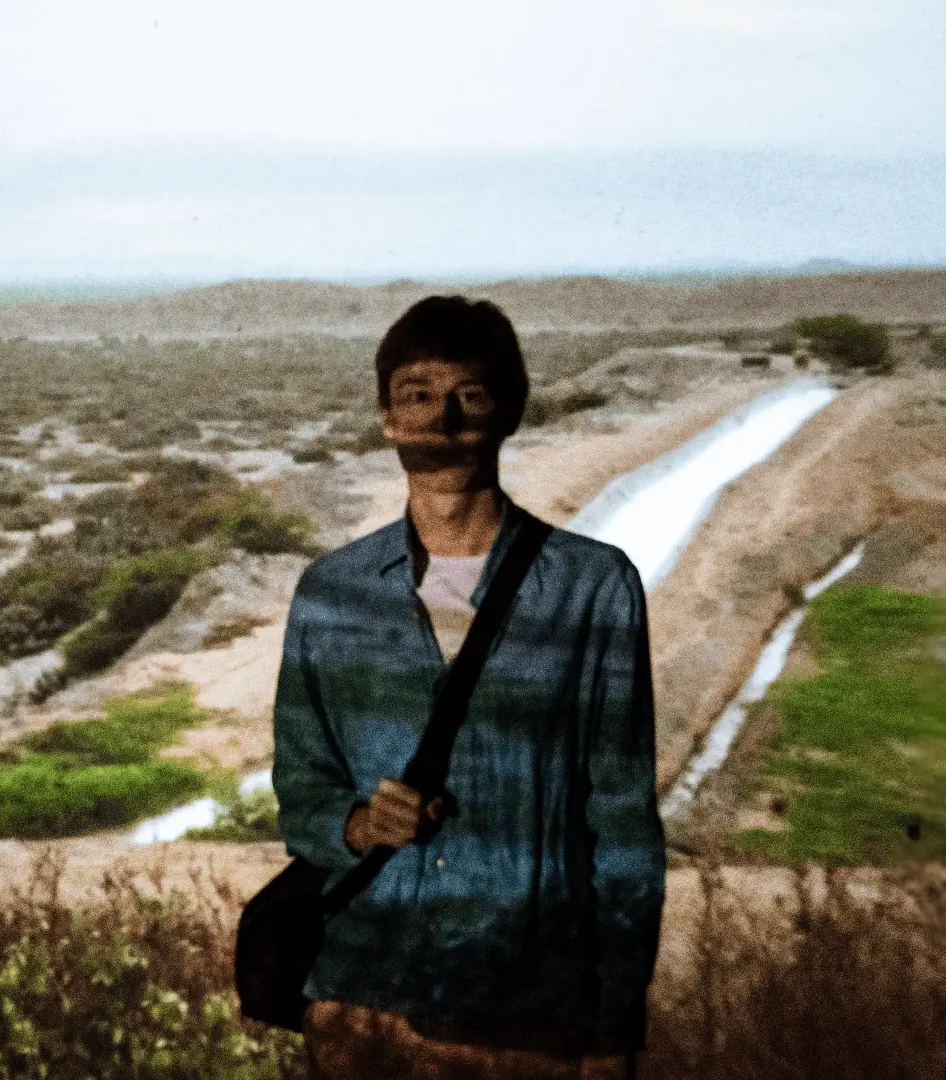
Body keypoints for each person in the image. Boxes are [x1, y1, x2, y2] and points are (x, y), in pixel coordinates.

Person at [272, 295, 666, 1080]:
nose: (442, 417)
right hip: (365, 998)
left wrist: (614, 1027)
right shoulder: (331, 590)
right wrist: (355, 825)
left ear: (509, 411)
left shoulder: (592, 586)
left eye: (470, 394)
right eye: (416, 393)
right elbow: (300, 784)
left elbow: (622, 824)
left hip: (531, 1013)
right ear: (387, 418)